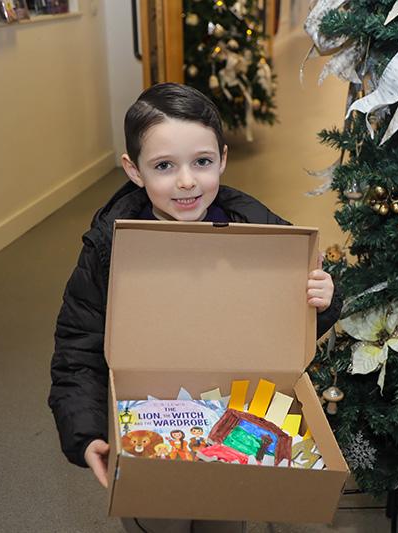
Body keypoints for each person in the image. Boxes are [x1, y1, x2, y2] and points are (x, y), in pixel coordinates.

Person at [48, 83, 341, 533]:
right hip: (144, 419)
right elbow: (79, 343)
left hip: (232, 407)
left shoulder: (257, 228)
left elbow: (286, 325)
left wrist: (322, 298)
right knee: (157, 519)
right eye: (164, 166)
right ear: (134, 170)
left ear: (222, 159)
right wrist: (86, 434)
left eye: (201, 162)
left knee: (225, 517)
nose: (186, 181)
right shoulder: (110, 247)